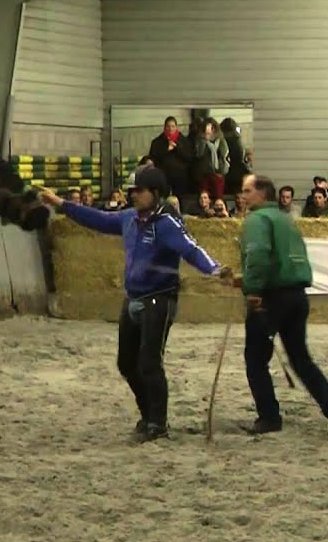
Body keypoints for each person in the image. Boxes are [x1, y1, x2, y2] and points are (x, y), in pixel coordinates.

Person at [38, 167, 232, 442]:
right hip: (133, 298)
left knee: (150, 362)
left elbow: (191, 248)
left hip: (160, 299)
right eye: (131, 191)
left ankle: (158, 423)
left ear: (155, 193)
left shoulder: (167, 224)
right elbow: (97, 219)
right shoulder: (129, 218)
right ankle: (148, 414)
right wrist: (61, 204)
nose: (133, 195)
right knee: (127, 363)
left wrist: (215, 269)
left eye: (138, 191)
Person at [236, 173, 328, 437]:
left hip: (270, 298)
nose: (242, 196)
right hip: (297, 296)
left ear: (261, 194)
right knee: (301, 359)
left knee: (255, 359)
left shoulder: (257, 220)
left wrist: (252, 289)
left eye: (247, 190)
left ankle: (269, 417)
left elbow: (258, 255)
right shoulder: (286, 219)